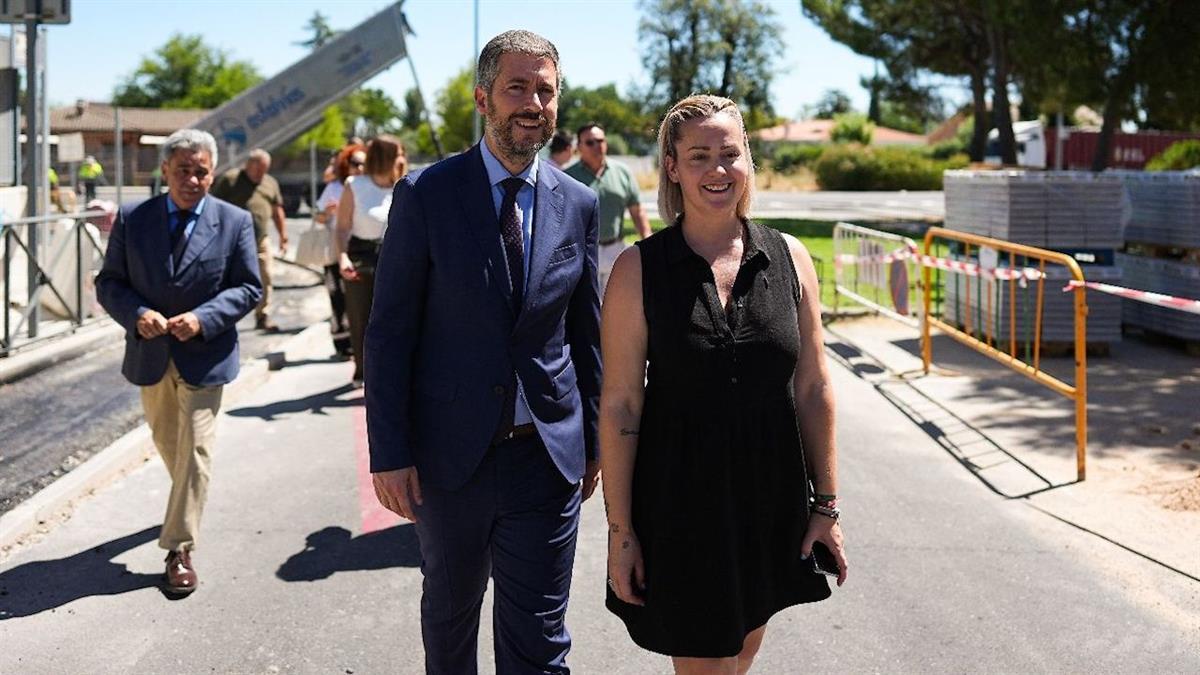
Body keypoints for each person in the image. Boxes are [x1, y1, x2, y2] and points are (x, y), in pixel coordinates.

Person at [365, 30, 601, 674]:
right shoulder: (427, 194)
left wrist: (594, 444)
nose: (533, 103)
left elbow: (587, 334)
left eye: (545, 90)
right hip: (448, 462)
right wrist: (390, 453)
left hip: (546, 457)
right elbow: (389, 334)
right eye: (516, 88)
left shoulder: (579, 204)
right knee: (450, 624)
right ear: (482, 99)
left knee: (540, 642)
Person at [600, 94, 848, 674]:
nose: (717, 169)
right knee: (708, 664)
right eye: (699, 156)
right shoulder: (638, 269)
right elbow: (620, 405)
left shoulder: (790, 257)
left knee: (742, 652)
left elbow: (813, 387)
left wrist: (826, 506)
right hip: (680, 505)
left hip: (771, 500)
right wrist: (621, 530)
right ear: (671, 166)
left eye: (729, 154)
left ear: (747, 161)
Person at [95, 128, 262, 595]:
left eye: (201, 171)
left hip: (207, 355)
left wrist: (204, 318)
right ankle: (185, 501)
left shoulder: (234, 221)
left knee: (196, 450)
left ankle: (179, 549)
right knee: (170, 443)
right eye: (183, 170)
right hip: (151, 354)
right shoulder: (133, 218)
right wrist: (137, 314)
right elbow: (109, 283)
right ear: (165, 170)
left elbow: (249, 287)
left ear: (213, 173)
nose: (192, 180)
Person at [334, 137, 404, 388]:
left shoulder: (404, 185)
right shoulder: (355, 185)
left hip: (396, 256)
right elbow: (342, 227)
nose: (402, 158)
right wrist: (342, 256)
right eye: (398, 153)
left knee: (397, 316)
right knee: (360, 316)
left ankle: (393, 371)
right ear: (386, 157)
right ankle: (363, 370)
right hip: (361, 255)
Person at [565, 121, 652, 296]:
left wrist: (648, 242)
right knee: (588, 306)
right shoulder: (567, 177)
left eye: (600, 141)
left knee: (618, 302)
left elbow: (637, 211)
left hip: (616, 250)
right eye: (590, 142)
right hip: (583, 252)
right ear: (579, 147)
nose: (597, 146)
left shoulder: (622, 172)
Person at [211, 148, 288, 332]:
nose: (260, 174)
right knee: (225, 278)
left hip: (260, 239)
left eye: (264, 170)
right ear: (248, 165)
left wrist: (283, 236)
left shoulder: (270, 183)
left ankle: (263, 315)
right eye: (257, 169)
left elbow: (277, 210)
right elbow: (213, 207)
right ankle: (220, 317)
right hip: (232, 239)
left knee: (266, 275)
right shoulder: (230, 180)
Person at [315, 143, 366, 359]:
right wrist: (327, 213)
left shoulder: (370, 186)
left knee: (359, 301)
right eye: (355, 164)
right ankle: (342, 342)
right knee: (337, 297)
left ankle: (358, 344)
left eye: (363, 163)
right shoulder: (335, 187)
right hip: (335, 252)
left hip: (360, 251)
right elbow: (318, 217)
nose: (359, 168)